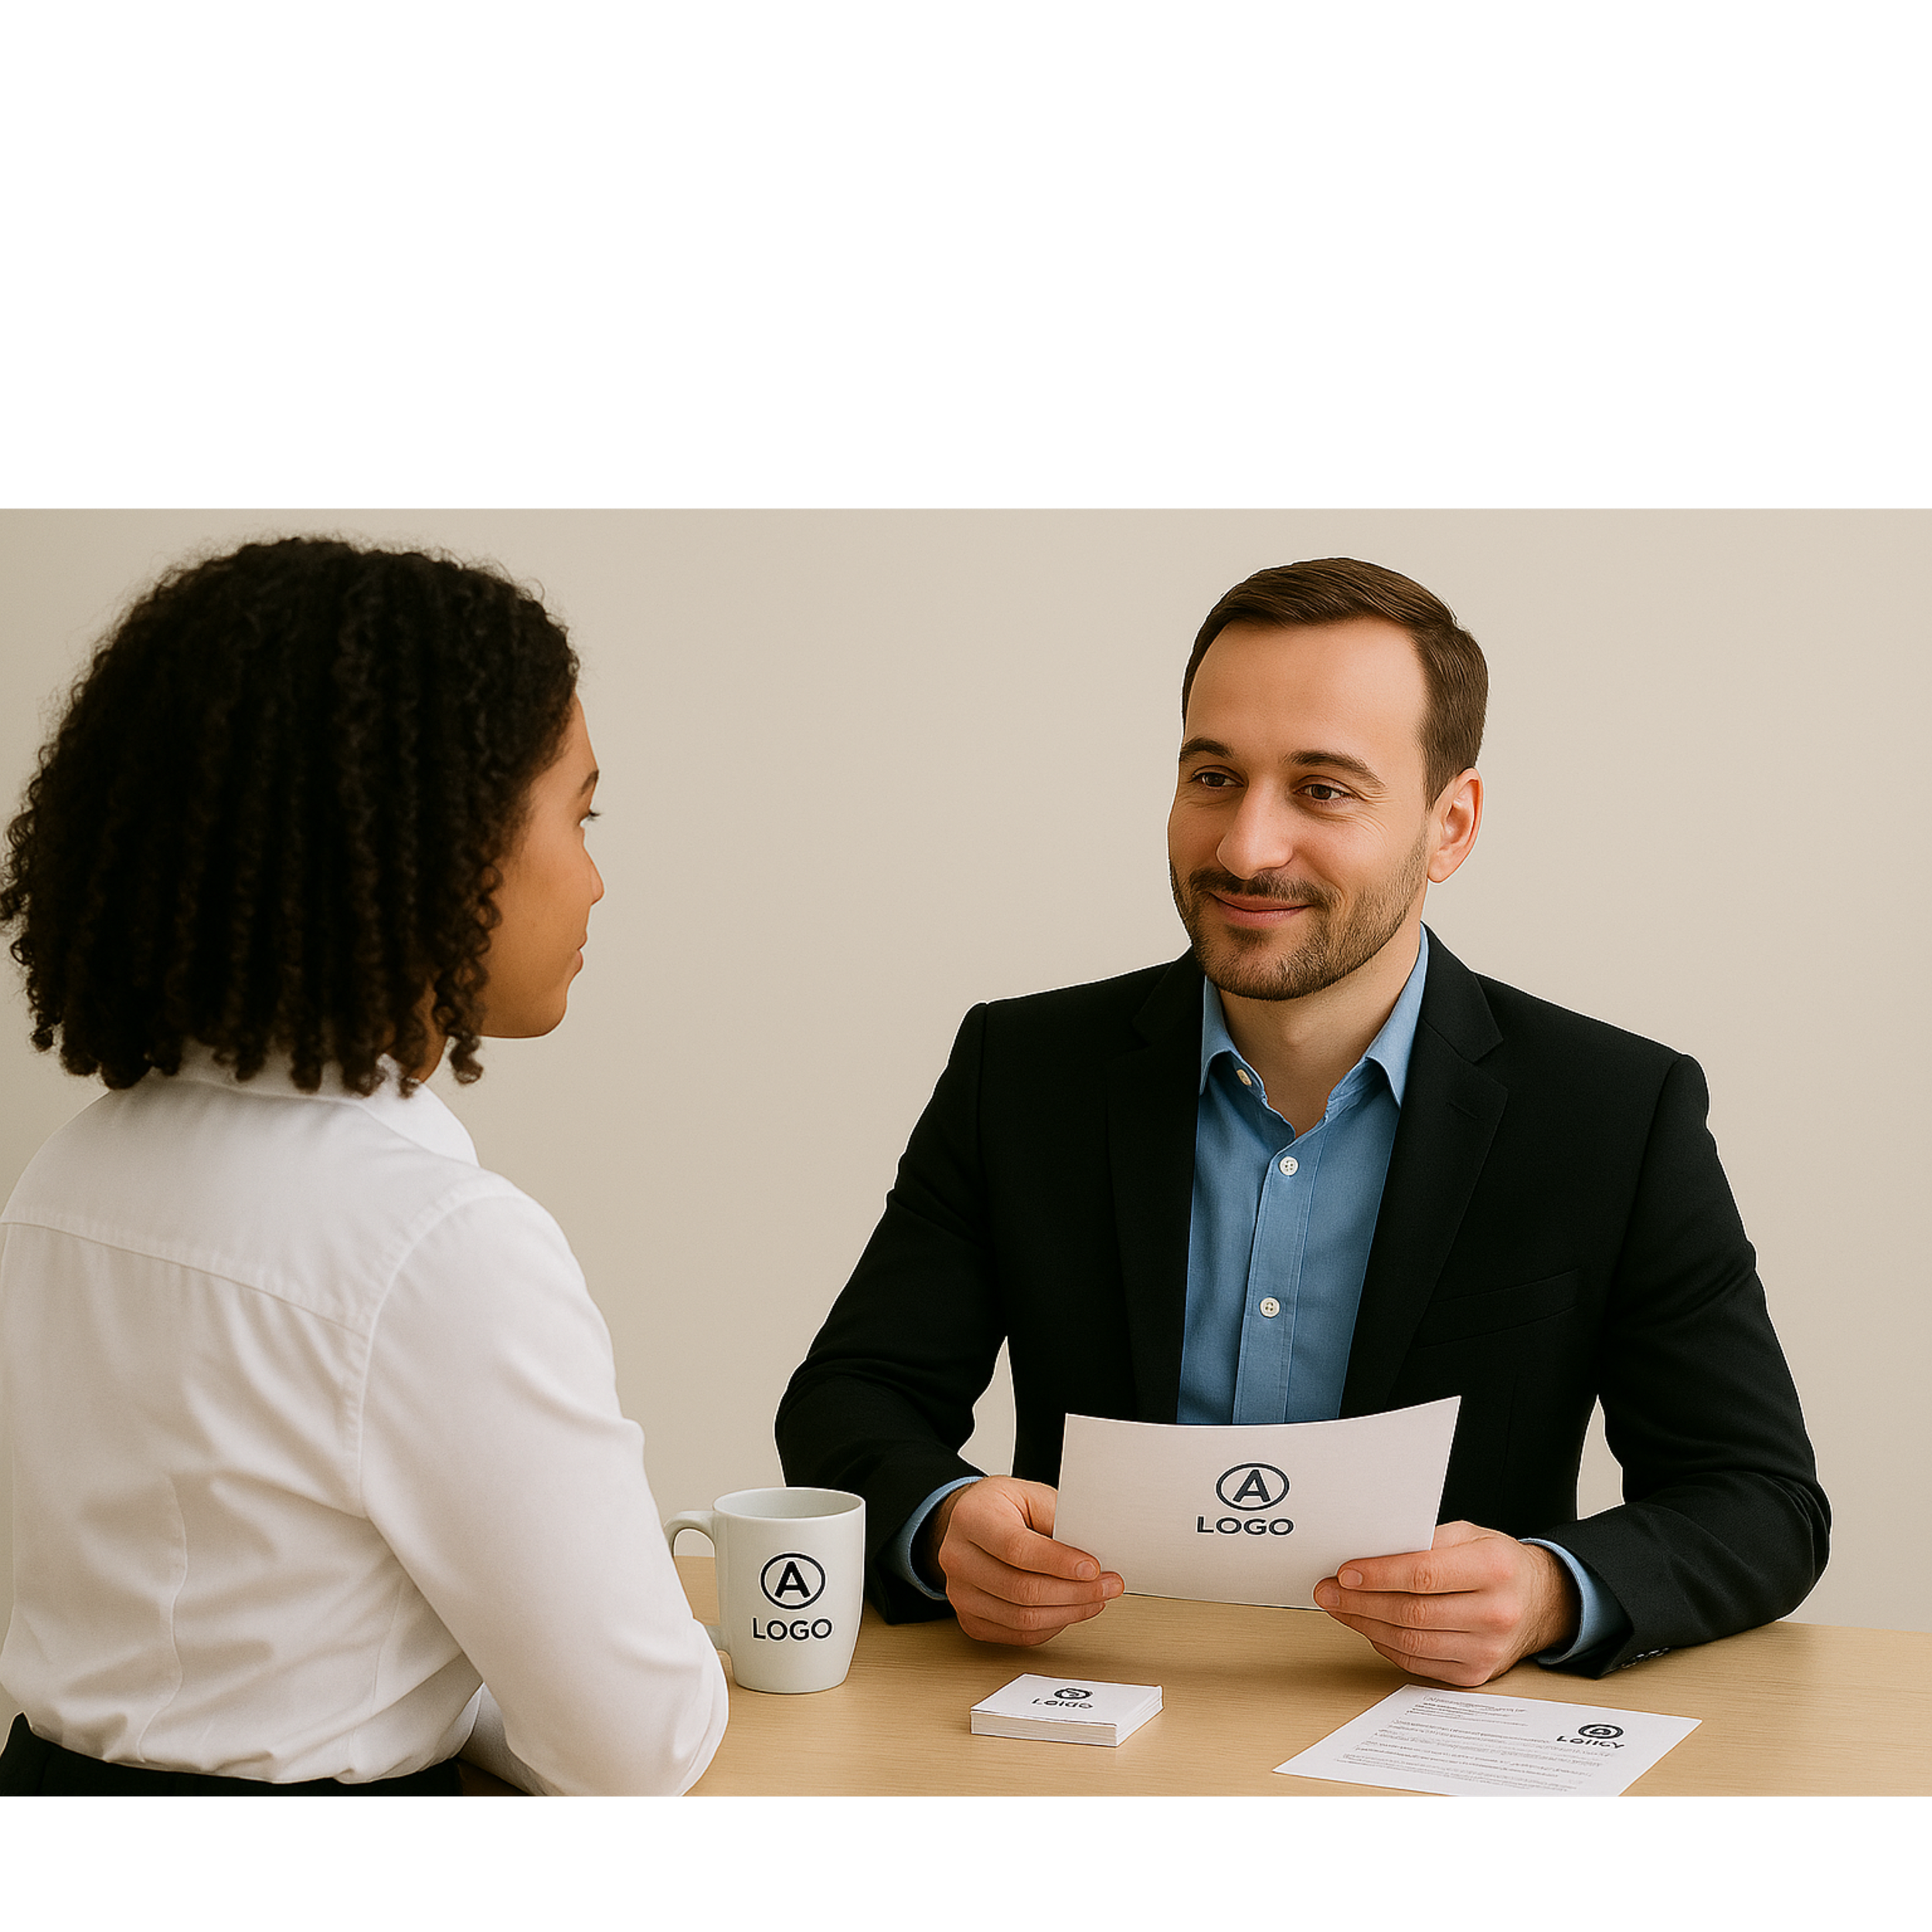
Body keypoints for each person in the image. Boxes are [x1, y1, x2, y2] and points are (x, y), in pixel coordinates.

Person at [777, 557, 1828, 1686]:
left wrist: (1545, 1591)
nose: (1244, 849)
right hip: (1088, 1710)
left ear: (1451, 825)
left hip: (1423, 1736)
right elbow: (851, 1399)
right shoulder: (1022, 1072)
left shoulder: (1615, 1112)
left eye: (1322, 789)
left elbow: (1759, 1499)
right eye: (1214, 777)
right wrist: (942, 1522)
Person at [0, 537, 726, 1796]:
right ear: (440, 845)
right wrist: (482, 1702)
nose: (598, 878)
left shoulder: (66, 1180)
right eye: (581, 814)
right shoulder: (437, 1245)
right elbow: (638, 1746)